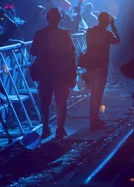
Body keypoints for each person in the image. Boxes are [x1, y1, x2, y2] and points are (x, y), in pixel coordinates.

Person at [30, 8, 76, 139]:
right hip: (61, 72)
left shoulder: (39, 34)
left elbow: (33, 51)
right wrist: (73, 74)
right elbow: (71, 55)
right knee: (61, 101)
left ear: (47, 18)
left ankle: (45, 128)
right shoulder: (65, 34)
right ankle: (60, 129)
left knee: (45, 101)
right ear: (59, 19)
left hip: (44, 72)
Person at [85, 11, 120, 130]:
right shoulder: (107, 34)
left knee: (93, 94)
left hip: (90, 66)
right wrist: (114, 26)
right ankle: (94, 122)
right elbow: (117, 41)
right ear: (108, 22)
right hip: (101, 67)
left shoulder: (89, 31)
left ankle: (93, 120)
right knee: (97, 94)